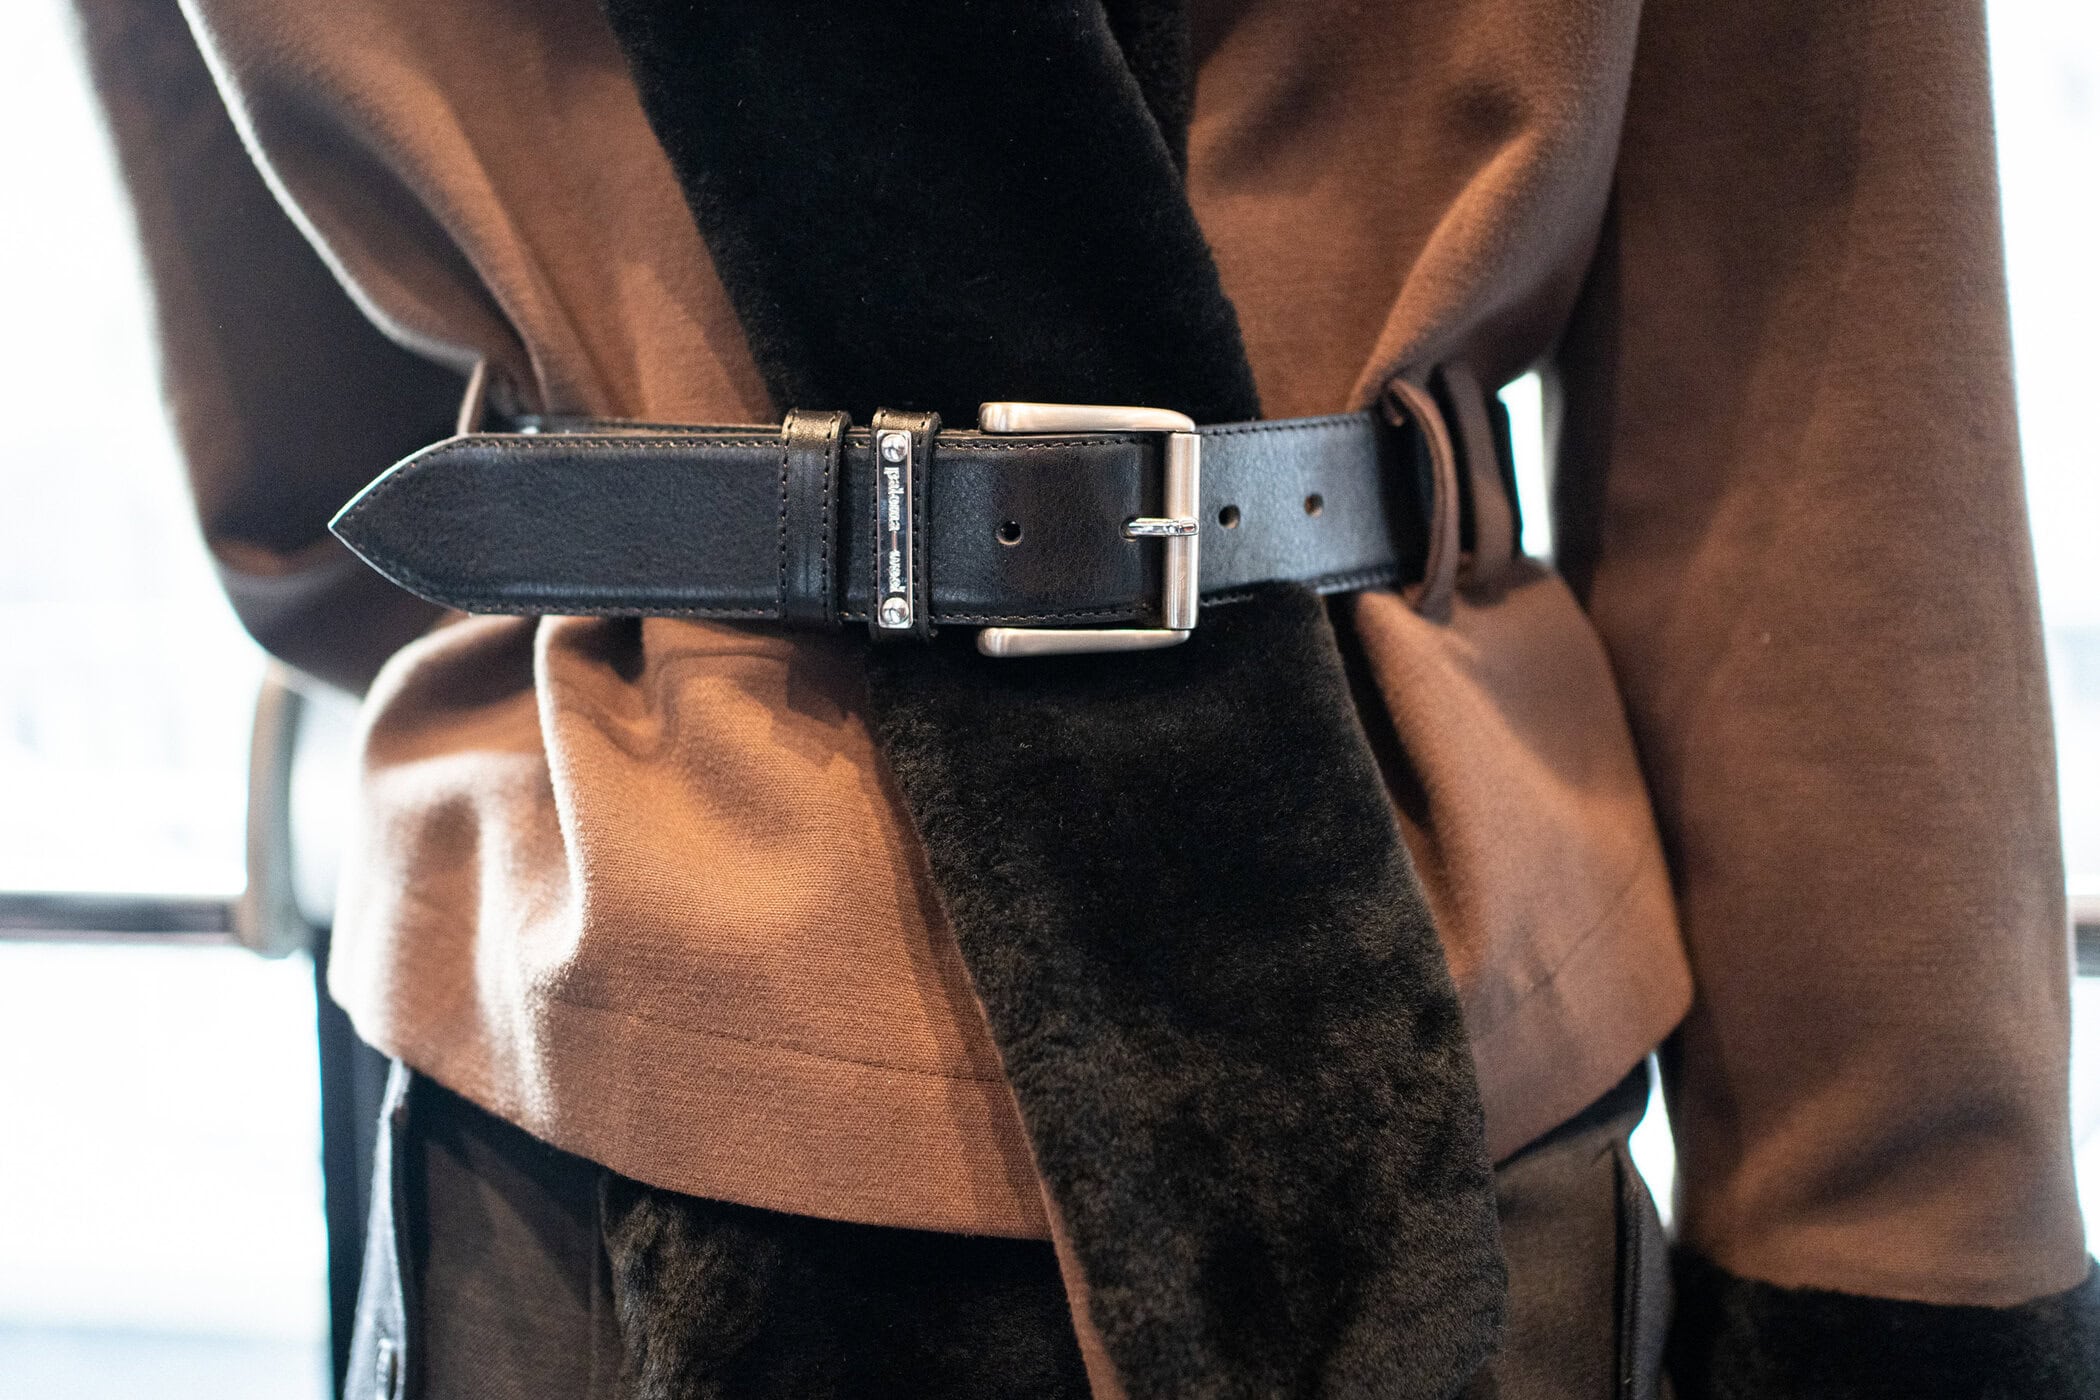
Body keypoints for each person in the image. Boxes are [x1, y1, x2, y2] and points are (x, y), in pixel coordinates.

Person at [76, 0, 2096, 1395]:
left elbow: (313, 489)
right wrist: (1906, 1256)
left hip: (609, 1012)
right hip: (1441, 1023)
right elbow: (1813, 355)